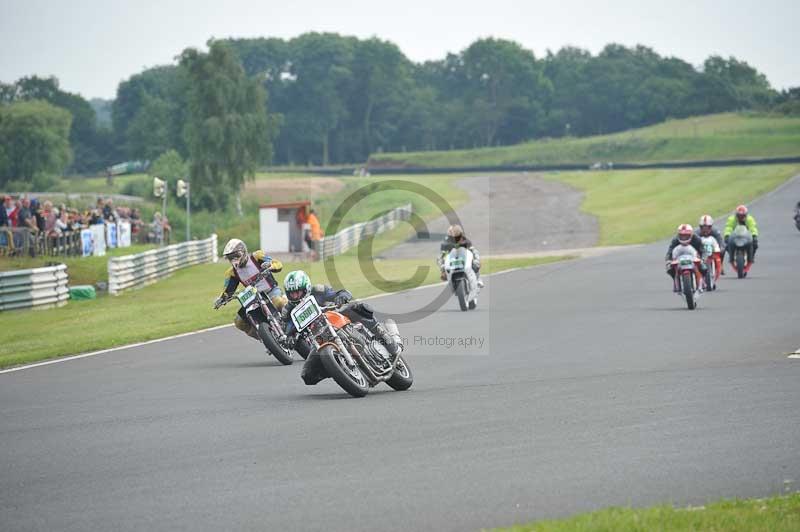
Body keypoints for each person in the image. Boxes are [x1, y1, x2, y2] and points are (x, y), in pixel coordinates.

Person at [281, 270, 402, 385]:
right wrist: (289, 338)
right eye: (292, 293)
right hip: (319, 339)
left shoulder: (317, 291)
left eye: (298, 292)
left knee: (360, 308)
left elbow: (340, 292)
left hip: (337, 318)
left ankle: (388, 340)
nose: (295, 296)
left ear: (306, 288)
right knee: (308, 376)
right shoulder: (288, 310)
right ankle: (340, 367)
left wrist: (342, 296)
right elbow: (287, 328)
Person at [213, 238, 288, 340]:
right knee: (239, 322)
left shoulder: (257, 256)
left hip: (271, 291)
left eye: (236, 256)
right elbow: (228, 290)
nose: (234, 260)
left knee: (278, 302)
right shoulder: (232, 273)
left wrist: (270, 266)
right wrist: (221, 299)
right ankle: (265, 339)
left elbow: (278, 264)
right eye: (231, 258)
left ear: (243, 251)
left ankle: (295, 323)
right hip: (254, 299)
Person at [723, 205, 759, 273]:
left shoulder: (749, 219)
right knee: (726, 245)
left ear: (746, 215)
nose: (741, 217)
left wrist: (754, 236)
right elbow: (729, 227)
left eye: (743, 216)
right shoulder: (732, 219)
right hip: (735, 237)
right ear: (736, 215)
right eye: (739, 216)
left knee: (755, 245)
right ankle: (731, 256)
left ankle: (751, 257)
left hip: (746, 238)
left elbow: (752, 228)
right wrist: (727, 235)